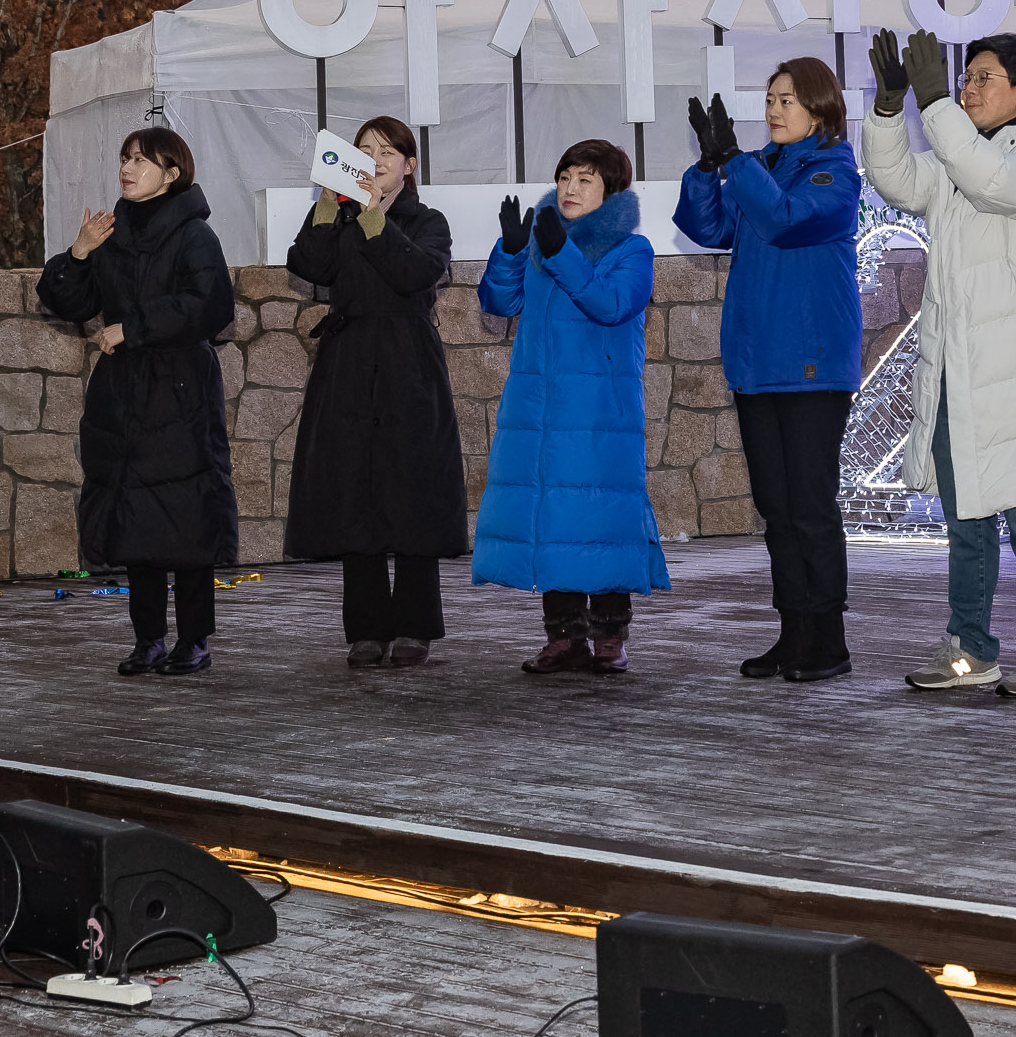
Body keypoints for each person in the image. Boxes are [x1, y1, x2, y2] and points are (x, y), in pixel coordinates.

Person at [863, 27, 1016, 698]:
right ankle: (969, 646)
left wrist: (935, 106)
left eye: (983, 77)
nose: (967, 87)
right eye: (965, 77)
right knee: (965, 524)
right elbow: (898, 180)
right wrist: (887, 108)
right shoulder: (958, 156)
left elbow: (1001, 188)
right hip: (958, 370)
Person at [674, 60, 863, 684]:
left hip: (811, 368)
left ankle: (828, 639)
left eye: (787, 99)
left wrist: (737, 163)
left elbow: (782, 220)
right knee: (776, 507)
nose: (774, 109)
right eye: (770, 97)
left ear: (820, 108)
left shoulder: (834, 173)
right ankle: (794, 631)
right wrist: (709, 167)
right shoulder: (762, 167)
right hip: (758, 364)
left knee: (810, 505)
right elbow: (707, 227)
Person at [37, 127, 236, 679]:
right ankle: (148, 637)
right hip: (122, 396)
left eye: (141, 161)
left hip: (180, 391)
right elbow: (68, 303)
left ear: (171, 175)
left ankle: (194, 639)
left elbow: (211, 305)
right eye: (125, 158)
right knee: (137, 521)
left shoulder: (196, 235)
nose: (127, 168)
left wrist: (135, 328)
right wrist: (77, 255)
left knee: (186, 519)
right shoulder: (112, 231)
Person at [472, 139, 667, 673]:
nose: (570, 189)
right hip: (540, 408)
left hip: (601, 413)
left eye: (585, 179)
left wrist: (561, 253)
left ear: (611, 190)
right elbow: (498, 302)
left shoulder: (633, 250)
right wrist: (513, 251)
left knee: (601, 516)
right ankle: (562, 637)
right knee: (552, 513)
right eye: (564, 178)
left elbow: (611, 304)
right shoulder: (541, 242)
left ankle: (609, 638)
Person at [284, 116, 469, 669]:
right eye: (364, 150)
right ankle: (365, 629)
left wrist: (371, 218)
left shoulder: (427, 220)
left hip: (409, 364)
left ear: (409, 165)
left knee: (412, 492)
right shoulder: (335, 216)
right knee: (353, 493)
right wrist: (326, 205)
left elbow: (415, 274)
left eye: (387, 151)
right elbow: (307, 265)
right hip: (346, 363)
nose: (375, 159)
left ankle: (414, 627)